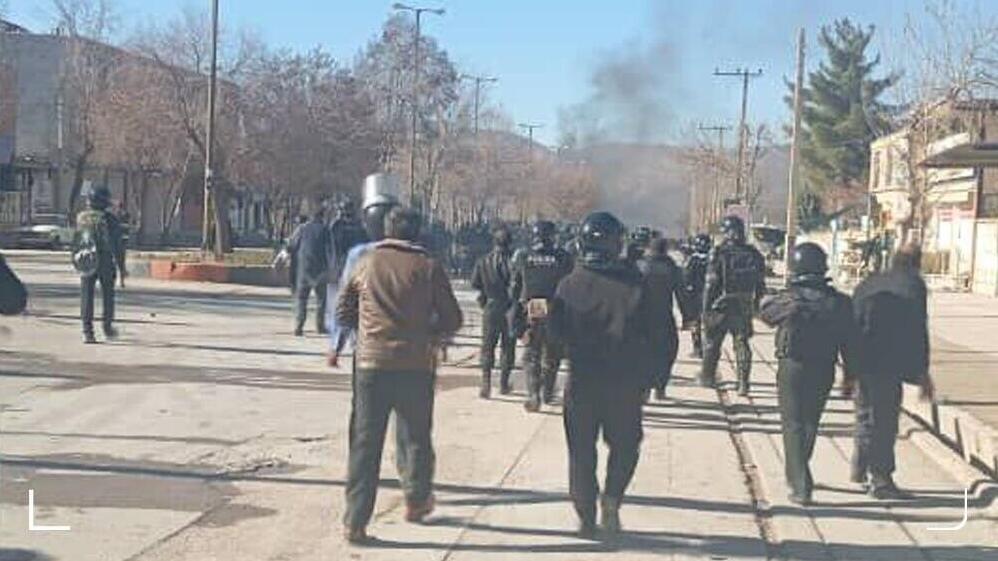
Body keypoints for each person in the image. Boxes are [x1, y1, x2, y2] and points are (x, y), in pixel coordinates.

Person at [336, 207, 462, 544]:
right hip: (416, 365)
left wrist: (361, 334)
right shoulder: (429, 266)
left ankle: (355, 521)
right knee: (416, 436)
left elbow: (343, 310)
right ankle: (417, 501)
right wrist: (431, 331)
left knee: (365, 442)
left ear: (385, 229)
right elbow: (453, 318)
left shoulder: (366, 261)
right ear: (417, 233)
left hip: (370, 365)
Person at [549, 211, 666, 539]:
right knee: (626, 447)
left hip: (582, 382)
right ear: (617, 244)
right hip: (625, 384)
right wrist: (653, 379)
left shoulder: (568, 285)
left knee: (581, 452)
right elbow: (658, 334)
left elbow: (555, 335)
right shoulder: (635, 285)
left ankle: (585, 516)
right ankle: (612, 498)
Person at [759, 243, 861, 505]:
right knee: (809, 423)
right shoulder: (840, 302)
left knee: (792, 424)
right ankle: (800, 471)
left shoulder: (790, 298)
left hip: (792, 367)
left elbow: (765, 315)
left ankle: (800, 484)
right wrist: (850, 376)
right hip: (824, 368)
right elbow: (850, 343)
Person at [851, 244, 934, 499]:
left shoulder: (870, 282)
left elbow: (851, 322)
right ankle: (881, 479)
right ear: (917, 264)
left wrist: (849, 367)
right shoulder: (913, 285)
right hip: (888, 362)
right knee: (885, 422)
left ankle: (859, 466)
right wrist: (922, 372)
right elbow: (917, 329)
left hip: (863, 360)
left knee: (866, 414)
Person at [510, 220, 574, 412]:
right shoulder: (563, 257)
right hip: (555, 308)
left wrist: (516, 313)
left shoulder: (522, 256)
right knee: (552, 355)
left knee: (532, 355)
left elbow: (514, 287)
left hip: (532, 308)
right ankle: (547, 392)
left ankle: (533, 394)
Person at [700, 215, 766, 396]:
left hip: (721, 304)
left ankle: (707, 377)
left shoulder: (719, 253)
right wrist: (757, 304)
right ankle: (743, 383)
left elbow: (710, 283)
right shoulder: (753, 254)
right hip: (743, 304)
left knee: (713, 342)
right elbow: (761, 284)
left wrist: (705, 310)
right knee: (742, 343)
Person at [636, 237, 687, 400]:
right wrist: (688, 316)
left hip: (641, 317)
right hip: (664, 315)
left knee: (643, 353)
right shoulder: (671, 267)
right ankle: (660, 386)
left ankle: (643, 388)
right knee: (667, 352)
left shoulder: (640, 266)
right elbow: (682, 293)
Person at [74, 185, 126, 344]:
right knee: (108, 296)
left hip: (86, 260)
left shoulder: (81, 217)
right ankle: (107, 326)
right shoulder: (110, 219)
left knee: (86, 296)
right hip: (104, 261)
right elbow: (118, 245)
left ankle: (87, 331)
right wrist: (121, 267)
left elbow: (77, 241)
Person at [471, 224, 516, 398]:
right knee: (508, 346)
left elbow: (475, 283)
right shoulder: (514, 261)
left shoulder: (483, 261)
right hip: (509, 306)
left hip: (490, 305)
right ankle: (504, 384)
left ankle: (486, 383)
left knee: (488, 346)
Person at [326, 198, 369, 343]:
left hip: (341, 269)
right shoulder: (360, 227)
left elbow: (331, 248)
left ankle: (338, 334)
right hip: (355, 268)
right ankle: (352, 335)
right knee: (355, 303)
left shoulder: (336, 226)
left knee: (340, 303)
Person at [288, 208, 331, 336]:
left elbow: (291, 246)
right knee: (321, 300)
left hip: (303, 269)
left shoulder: (301, 229)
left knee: (301, 299)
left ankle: (299, 326)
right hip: (320, 270)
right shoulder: (325, 230)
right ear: (321, 217)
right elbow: (330, 250)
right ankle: (320, 326)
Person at [683, 234, 712, 358]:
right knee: (710, 324)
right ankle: (709, 348)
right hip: (711, 295)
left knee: (696, 323)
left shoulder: (692, 260)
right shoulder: (713, 259)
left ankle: (697, 348)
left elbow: (687, 277)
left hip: (695, 295)